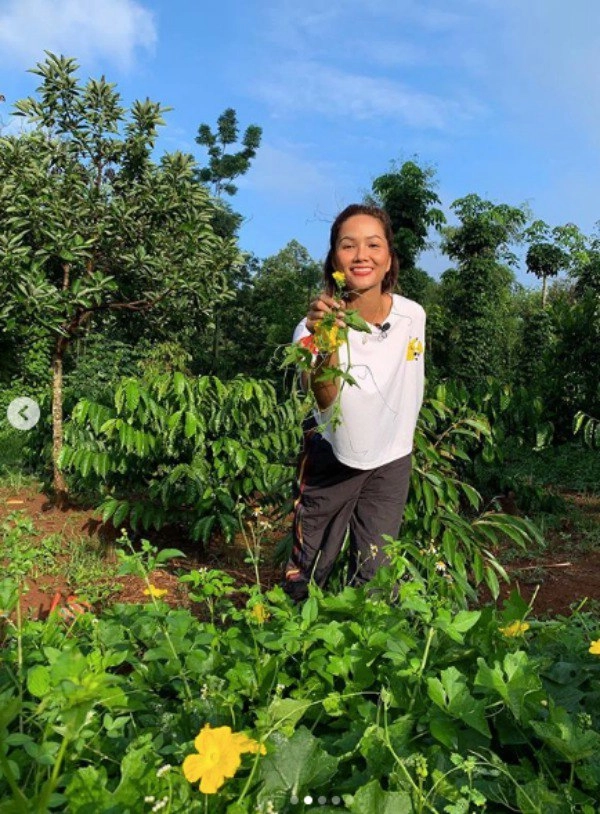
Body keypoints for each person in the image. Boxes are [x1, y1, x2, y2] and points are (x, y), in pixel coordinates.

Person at [283, 203, 425, 602]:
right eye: (348, 246)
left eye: (373, 245)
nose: (362, 255)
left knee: (378, 572)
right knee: (309, 568)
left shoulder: (413, 316)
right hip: (333, 455)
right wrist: (327, 340)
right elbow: (326, 401)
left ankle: (367, 651)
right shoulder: (311, 330)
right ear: (334, 261)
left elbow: (409, 378)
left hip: (392, 458)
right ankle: (292, 649)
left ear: (389, 258)